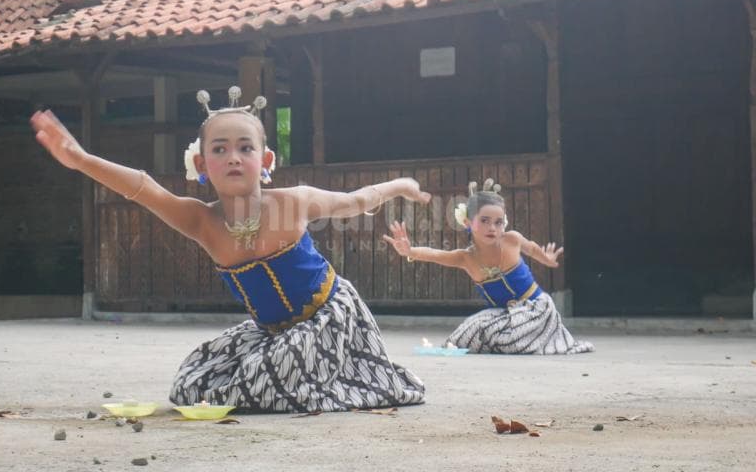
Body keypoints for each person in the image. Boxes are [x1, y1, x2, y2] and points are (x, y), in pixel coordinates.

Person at [30, 86, 428, 412]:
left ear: (265, 159)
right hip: (270, 332)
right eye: (219, 150)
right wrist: (80, 160)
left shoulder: (294, 203)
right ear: (202, 164)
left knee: (272, 379)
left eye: (245, 148)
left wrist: (401, 186)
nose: (233, 157)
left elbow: (356, 200)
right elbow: (142, 189)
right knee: (192, 382)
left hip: (330, 319)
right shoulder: (202, 221)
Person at [383, 179, 594, 355]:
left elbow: (531, 249)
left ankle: (527, 339)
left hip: (535, 309)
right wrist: (410, 251)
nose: (492, 228)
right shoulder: (466, 258)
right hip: (502, 315)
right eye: (484, 220)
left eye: (498, 222)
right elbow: (437, 255)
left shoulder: (511, 240)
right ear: (468, 222)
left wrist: (546, 258)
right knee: (470, 329)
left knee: (509, 337)